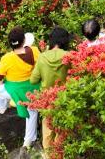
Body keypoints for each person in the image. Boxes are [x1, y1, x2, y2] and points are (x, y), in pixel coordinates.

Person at [0, 28, 40, 150]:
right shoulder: (34, 51)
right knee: (32, 110)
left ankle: (0, 106)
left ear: (10, 43)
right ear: (24, 40)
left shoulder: (7, 58)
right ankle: (28, 141)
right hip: (32, 88)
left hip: (14, 91)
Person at [30, 26, 70, 157]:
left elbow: (33, 80)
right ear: (65, 41)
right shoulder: (68, 56)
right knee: (62, 131)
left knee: (47, 131)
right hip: (64, 99)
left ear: (51, 40)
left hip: (47, 100)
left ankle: (48, 156)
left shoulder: (42, 57)